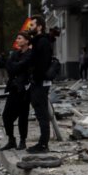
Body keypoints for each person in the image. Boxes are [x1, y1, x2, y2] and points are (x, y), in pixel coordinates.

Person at [26, 16, 54, 154]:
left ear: (40, 27)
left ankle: (43, 144)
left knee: (42, 113)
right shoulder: (38, 41)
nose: (29, 27)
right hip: (38, 81)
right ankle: (42, 143)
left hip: (40, 82)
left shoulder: (42, 42)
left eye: (32, 25)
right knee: (40, 112)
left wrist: (35, 77)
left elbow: (41, 63)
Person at [0, 33, 33, 151]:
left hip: (24, 89)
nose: (17, 40)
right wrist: (15, 66)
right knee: (6, 115)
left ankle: (22, 141)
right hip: (13, 88)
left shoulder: (30, 54)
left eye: (20, 38)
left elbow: (21, 67)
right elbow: (10, 68)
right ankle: (11, 140)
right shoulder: (15, 54)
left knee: (23, 116)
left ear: (27, 41)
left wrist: (16, 66)